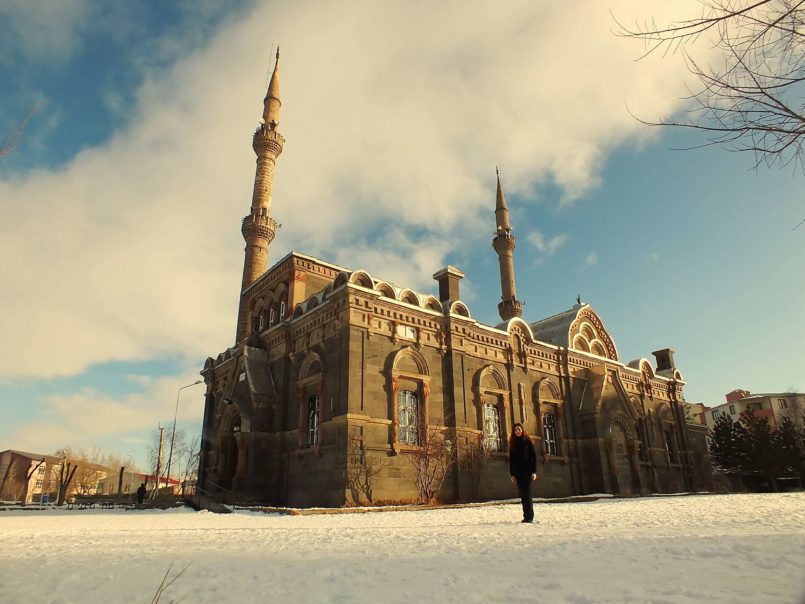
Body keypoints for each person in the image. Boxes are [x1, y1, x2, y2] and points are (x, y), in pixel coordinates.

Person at [509, 422, 538, 523]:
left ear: (522, 430)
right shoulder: (513, 443)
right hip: (518, 473)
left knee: (527, 494)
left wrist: (534, 472)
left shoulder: (528, 441)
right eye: (515, 430)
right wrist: (512, 474)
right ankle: (526, 516)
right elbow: (511, 460)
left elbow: (534, 457)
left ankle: (530, 516)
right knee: (522, 494)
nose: (517, 431)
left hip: (528, 472)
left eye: (519, 429)